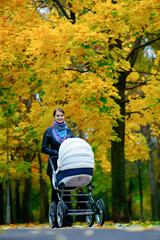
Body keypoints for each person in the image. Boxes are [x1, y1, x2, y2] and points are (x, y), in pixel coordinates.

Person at [41, 108, 74, 227]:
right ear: (54, 117)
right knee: (56, 192)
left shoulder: (69, 131)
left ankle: (68, 222)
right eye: (58, 116)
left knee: (67, 192)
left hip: (66, 165)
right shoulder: (49, 131)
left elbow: (72, 145)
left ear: (64, 117)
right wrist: (57, 153)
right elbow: (43, 148)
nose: (60, 118)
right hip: (54, 165)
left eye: (62, 115)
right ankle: (55, 221)